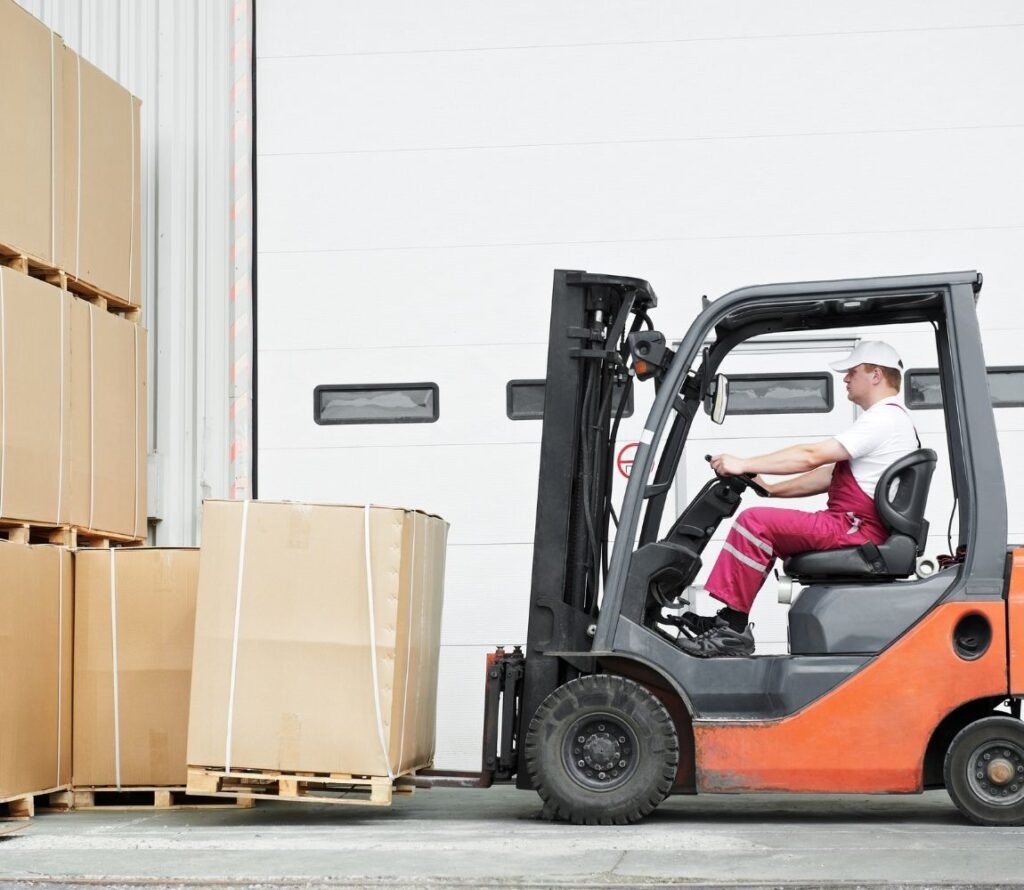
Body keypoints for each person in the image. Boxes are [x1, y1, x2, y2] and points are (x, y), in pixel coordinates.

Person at [675, 341, 920, 658]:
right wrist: (774, 489)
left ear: (875, 375)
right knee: (765, 523)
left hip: (856, 529)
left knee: (755, 523)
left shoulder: (883, 420)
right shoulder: (890, 422)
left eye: (852, 372)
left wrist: (744, 463)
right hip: (853, 525)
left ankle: (732, 629)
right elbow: (829, 475)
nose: (845, 378)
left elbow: (811, 457)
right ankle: (729, 622)